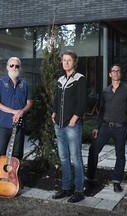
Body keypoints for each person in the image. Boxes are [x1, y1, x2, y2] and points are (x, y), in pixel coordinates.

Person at [85, 64, 127, 192]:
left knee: (120, 155)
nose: (116, 73)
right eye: (113, 71)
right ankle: (90, 177)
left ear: (120, 73)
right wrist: (97, 127)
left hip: (121, 128)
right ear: (110, 74)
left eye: (118, 71)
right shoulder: (105, 91)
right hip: (105, 127)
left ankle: (117, 181)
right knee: (93, 150)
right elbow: (101, 111)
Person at [51, 50, 87, 203]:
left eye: (69, 60)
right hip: (58, 125)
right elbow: (57, 99)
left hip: (72, 125)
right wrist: (53, 112)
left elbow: (83, 101)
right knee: (64, 158)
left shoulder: (80, 79)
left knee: (76, 158)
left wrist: (75, 118)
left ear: (74, 62)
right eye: (64, 60)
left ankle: (79, 190)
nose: (66, 62)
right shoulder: (60, 80)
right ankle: (66, 188)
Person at [0, 57, 32, 181]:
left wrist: (21, 112)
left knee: (17, 154)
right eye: (12, 65)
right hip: (4, 124)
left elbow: (29, 103)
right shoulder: (0, 82)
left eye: (17, 66)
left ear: (19, 68)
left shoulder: (24, 84)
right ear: (7, 67)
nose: (14, 68)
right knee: (0, 153)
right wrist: (13, 111)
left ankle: (14, 179)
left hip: (19, 124)